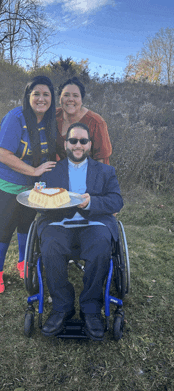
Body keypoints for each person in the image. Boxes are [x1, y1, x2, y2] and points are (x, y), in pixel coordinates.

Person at [37, 122, 123, 341]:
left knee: (101, 244)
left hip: (93, 224)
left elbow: (116, 201)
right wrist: (43, 196)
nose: (78, 145)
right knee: (50, 245)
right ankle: (62, 308)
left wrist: (91, 202)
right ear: (65, 144)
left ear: (89, 144)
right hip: (59, 224)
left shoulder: (105, 171)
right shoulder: (50, 170)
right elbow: (38, 198)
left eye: (83, 141)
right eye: (73, 140)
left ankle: (90, 309)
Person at [0, 76, 57, 294]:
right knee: (5, 225)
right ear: (28, 96)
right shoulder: (15, 117)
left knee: (27, 224)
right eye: (36, 93)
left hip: (31, 186)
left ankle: (22, 263)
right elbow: (4, 154)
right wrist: (34, 171)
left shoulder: (50, 120)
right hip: (4, 182)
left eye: (46, 94)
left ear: (52, 98)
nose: (41, 98)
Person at [56, 76, 112, 164]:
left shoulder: (96, 122)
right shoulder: (54, 115)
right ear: (60, 98)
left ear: (81, 100)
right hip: (62, 172)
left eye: (75, 96)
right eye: (66, 95)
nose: (70, 99)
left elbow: (102, 161)